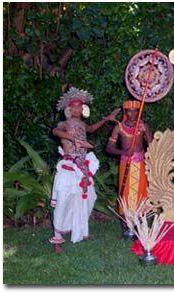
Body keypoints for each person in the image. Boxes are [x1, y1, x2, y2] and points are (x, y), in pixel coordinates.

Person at [50, 87, 120, 253]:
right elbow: (55, 131)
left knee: (88, 198)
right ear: (68, 109)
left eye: (79, 106)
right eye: (73, 106)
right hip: (69, 167)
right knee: (63, 202)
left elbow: (91, 129)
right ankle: (57, 239)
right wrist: (74, 139)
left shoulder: (82, 124)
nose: (77, 109)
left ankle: (78, 228)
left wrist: (107, 119)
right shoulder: (65, 124)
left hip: (82, 167)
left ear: (84, 108)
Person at [106, 100, 152, 233]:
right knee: (125, 194)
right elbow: (109, 148)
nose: (132, 114)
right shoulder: (119, 127)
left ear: (139, 112)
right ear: (125, 112)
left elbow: (151, 145)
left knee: (141, 194)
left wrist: (146, 132)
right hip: (125, 163)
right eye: (129, 111)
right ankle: (126, 228)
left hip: (140, 164)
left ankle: (140, 228)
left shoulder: (143, 125)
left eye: (135, 111)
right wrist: (123, 152)